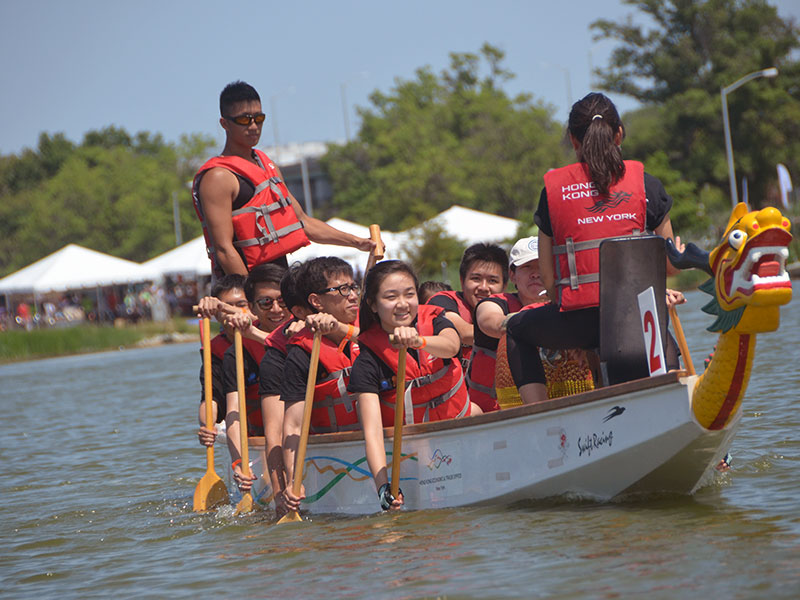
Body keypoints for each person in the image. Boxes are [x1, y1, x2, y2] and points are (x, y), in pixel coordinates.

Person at [505, 92, 680, 404]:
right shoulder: (647, 185)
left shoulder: (553, 193)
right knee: (666, 343)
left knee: (517, 329)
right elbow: (669, 266)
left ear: (573, 140)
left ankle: (539, 417)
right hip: (640, 323)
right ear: (619, 134)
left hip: (579, 323)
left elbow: (549, 279)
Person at [192, 81, 375, 278]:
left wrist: (357, 242)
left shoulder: (266, 165)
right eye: (244, 120)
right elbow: (224, 250)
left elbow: (303, 222)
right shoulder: (218, 177)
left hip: (278, 285)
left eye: (259, 118)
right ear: (224, 123)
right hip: (244, 293)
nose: (254, 126)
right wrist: (251, 301)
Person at [350, 260, 481, 511]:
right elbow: (373, 432)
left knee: (475, 410)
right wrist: (382, 486)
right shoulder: (367, 362)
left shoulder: (436, 320)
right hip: (414, 449)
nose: (402, 304)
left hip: (458, 429)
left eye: (409, 294)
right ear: (373, 305)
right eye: (391, 296)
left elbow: (452, 346)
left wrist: (418, 341)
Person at [280, 257, 361, 509]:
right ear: (316, 301)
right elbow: (293, 425)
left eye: (353, 287)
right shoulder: (302, 353)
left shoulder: (372, 327)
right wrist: (294, 479)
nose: (353, 296)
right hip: (337, 456)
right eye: (342, 290)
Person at [219, 264, 290, 492]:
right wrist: (239, 461)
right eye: (266, 303)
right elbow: (234, 411)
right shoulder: (237, 353)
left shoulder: (311, 332)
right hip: (265, 439)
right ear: (251, 308)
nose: (276, 309)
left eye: (283, 301)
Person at [425, 243, 508, 370]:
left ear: (505, 286)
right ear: (462, 280)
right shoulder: (441, 301)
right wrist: (519, 330)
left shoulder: (511, 305)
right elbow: (463, 333)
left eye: (493, 281)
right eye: (476, 278)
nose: (483, 287)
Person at [195, 274, 249, 448]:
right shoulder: (215, 351)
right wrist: (206, 426)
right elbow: (211, 397)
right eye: (225, 307)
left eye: (241, 305)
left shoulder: (269, 336)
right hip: (241, 423)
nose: (231, 313)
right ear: (217, 316)